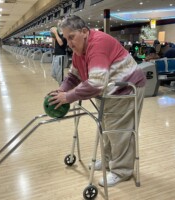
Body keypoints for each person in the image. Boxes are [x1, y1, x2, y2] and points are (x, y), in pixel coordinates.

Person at [48, 15, 146, 187]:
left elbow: (96, 83)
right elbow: (73, 75)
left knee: (119, 131)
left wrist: (68, 97)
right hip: (109, 90)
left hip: (126, 89)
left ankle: (121, 170)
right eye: (66, 38)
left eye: (72, 37)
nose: (69, 43)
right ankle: (109, 160)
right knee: (106, 128)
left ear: (84, 32)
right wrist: (62, 89)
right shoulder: (80, 50)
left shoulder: (97, 44)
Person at [50, 18, 67, 85]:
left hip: (61, 56)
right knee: (53, 74)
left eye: (60, 23)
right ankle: (65, 85)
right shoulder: (58, 35)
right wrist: (53, 38)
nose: (58, 24)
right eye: (58, 23)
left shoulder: (65, 34)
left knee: (60, 76)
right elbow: (54, 45)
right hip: (55, 55)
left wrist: (55, 33)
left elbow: (61, 43)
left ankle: (62, 89)